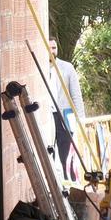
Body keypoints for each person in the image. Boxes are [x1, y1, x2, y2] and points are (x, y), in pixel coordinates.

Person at [46, 38, 86, 182]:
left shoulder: (67, 67)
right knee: (49, 153)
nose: (52, 51)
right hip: (48, 116)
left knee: (67, 154)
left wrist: (81, 119)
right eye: (49, 48)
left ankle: (71, 183)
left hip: (64, 115)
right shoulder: (41, 68)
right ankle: (55, 185)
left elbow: (76, 94)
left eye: (54, 48)